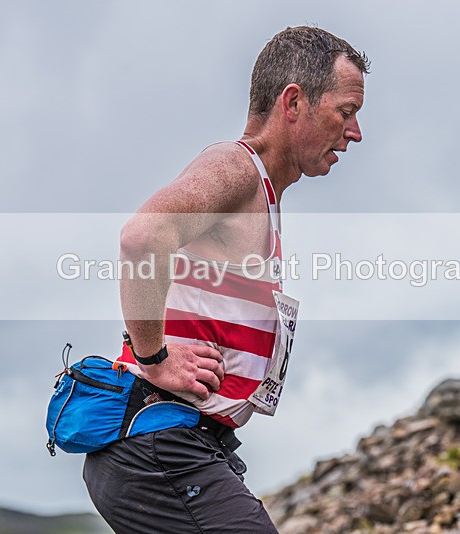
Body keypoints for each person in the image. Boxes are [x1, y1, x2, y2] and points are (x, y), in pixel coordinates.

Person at [83, 25, 368, 533]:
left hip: (169, 447)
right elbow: (142, 238)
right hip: (159, 446)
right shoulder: (236, 168)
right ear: (294, 102)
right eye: (345, 112)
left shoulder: (260, 191)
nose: (355, 132)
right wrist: (155, 358)